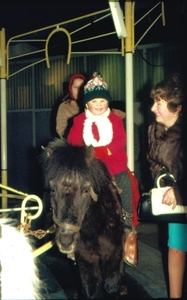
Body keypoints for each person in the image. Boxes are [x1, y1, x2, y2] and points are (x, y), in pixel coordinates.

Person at [67, 71, 139, 266]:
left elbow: (120, 140)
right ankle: (71, 233)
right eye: (94, 102)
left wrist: (103, 151)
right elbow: (72, 141)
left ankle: (128, 230)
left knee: (125, 182)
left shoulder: (114, 120)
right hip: (89, 167)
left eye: (102, 101)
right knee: (71, 190)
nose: (98, 105)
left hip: (112, 164)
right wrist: (83, 152)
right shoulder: (79, 121)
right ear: (86, 104)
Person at [147, 73, 187, 298]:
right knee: (176, 247)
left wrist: (179, 189)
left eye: (159, 103)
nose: (153, 108)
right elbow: (152, 160)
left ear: (177, 108)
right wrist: (163, 179)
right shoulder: (153, 130)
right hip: (175, 202)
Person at [56, 73, 86, 138]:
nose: (79, 90)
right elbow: (61, 128)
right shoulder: (64, 106)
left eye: (81, 87)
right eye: (76, 87)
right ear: (70, 89)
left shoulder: (91, 104)